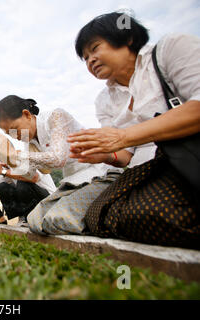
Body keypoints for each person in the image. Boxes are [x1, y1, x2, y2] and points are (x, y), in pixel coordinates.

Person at [67, 12, 200, 248]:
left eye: (95, 48)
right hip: (148, 172)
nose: (91, 61)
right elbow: (126, 156)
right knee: (98, 214)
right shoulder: (104, 101)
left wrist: (124, 136)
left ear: (126, 38)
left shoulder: (169, 51)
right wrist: (106, 153)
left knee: (146, 213)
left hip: (188, 158)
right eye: (85, 58)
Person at [0, 95, 122, 235]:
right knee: (34, 220)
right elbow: (32, 175)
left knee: (56, 219)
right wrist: (8, 162)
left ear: (26, 114)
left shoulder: (55, 117)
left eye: (15, 129)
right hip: (73, 184)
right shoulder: (29, 142)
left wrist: (15, 155)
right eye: (9, 134)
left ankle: (103, 218)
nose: (15, 136)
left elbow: (58, 158)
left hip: (99, 176)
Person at [0, 139, 56, 226]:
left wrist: (2, 172)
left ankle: (31, 218)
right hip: (35, 199)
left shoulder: (20, 156)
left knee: (22, 183)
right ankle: (21, 217)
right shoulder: (3, 168)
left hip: (49, 199)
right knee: (0, 186)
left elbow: (34, 177)